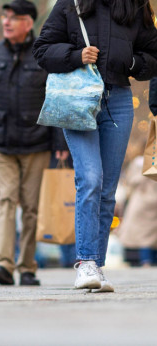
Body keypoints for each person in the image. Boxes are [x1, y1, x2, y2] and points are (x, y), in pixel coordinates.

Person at [33, 0, 157, 292]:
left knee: (107, 189)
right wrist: (76, 55)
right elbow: (42, 49)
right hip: (77, 98)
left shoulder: (135, 5)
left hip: (119, 101)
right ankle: (85, 263)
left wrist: (132, 64)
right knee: (90, 178)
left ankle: (96, 268)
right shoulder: (71, 3)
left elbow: (153, 54)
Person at [0, 0, 68, 287]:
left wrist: (58, 140)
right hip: (1, 144)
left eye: (13, 18)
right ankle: (3, 263)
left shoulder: (43, 55)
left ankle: (27, 266)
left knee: (29, 208)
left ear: (28, 23)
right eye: (5, 17)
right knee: (5, 200)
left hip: (36, 144)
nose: (6, 22)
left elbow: (55, 100)